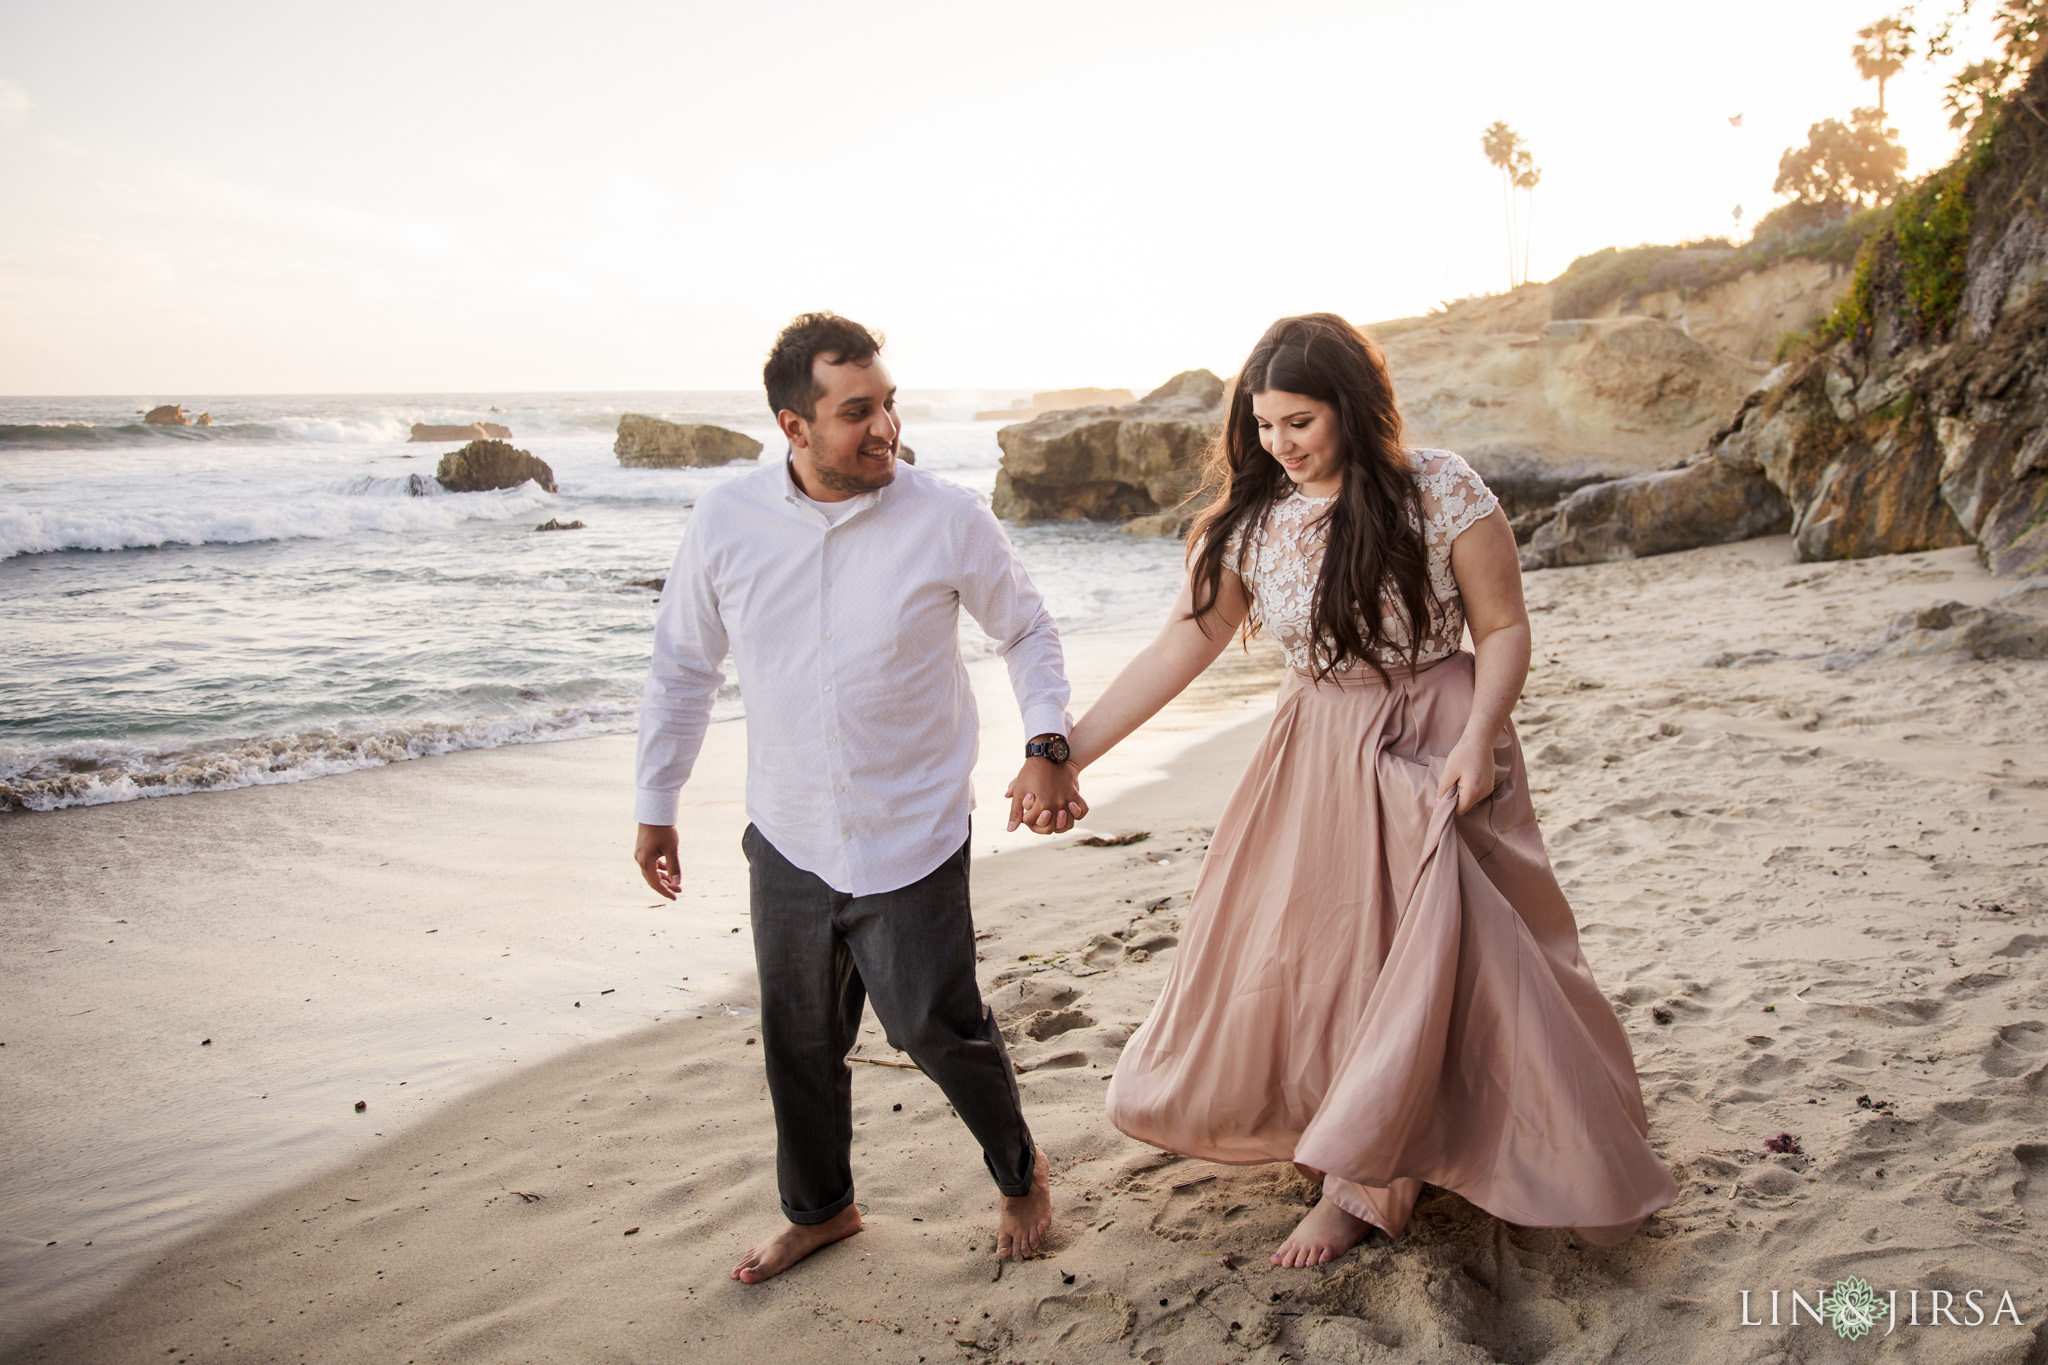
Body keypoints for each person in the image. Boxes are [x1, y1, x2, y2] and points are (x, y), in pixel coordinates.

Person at [1057, 313, 1678, 1266]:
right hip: (1315, 745)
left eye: (1299, 421)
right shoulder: (1255, 523)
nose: (1280, 445)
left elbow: (1503, 627)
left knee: (1449, 950)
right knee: (1330, 951)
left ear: (1352, 406)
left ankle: (1364, 1187)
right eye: (1264, 426)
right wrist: (1072, 751)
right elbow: (1181, 647)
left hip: (1437, 735)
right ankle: (1356, 1131)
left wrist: (1478, 740)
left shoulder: (1440, 487)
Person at [632, 312, 1086, 1283]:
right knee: (799, 1039)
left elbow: (1026, 629)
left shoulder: (947, 516)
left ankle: (1018, 1172)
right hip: (788, 831)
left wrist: (1046, 742)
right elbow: (681, 667)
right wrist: (656, 799)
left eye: (888, 405)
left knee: (934, 1026)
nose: (884, 428)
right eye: (855, 413)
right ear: (794, 427)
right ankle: (821, 1210)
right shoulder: (725, 521)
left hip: (912, 828)